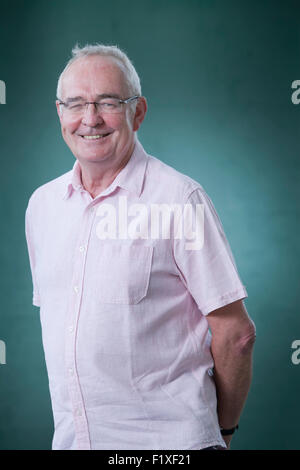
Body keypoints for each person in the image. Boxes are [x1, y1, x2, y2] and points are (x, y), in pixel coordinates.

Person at [25, 43, 256, 451]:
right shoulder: (42, 207)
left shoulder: (179, 200)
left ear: (139, 111)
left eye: (108, 102)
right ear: (59, 112)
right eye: (76, 104)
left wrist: (221, 434)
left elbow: (236, 333)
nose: (90, 119)